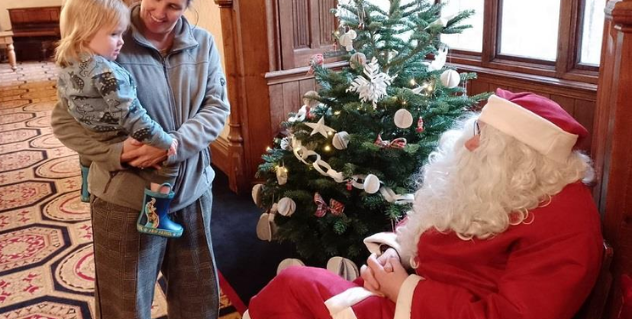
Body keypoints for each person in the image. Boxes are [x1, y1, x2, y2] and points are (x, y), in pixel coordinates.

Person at [244, 89, 603, 319]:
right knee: (297, 287)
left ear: (524, 159)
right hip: (413, 294)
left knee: (296, 289)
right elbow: (436, 215)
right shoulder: (502, 180)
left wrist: (404, 290)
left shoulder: (566, 223)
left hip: (425, 309)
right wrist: (395, 254)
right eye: (476, 130)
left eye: (487, 139)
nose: (470, 145)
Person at [51, 0, 230, 319]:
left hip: (191, 192)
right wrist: (118, 154)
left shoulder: (203, 44)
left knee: (198, 300)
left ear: (188, 6)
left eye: (174, 6)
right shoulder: (107, 38)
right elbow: (64, 121)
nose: (160, 12)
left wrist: (173, 145)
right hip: (123, 198)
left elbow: (217, 110)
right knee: (124, 303)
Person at [54, 0, 182, 238]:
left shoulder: (67, 64)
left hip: (91, 134)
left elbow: (67, 105)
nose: (121, 41)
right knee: (169, 162)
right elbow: (131, 115)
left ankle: (86, 185)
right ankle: (155, 217)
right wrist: (164, 140)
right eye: (114, 34)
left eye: (121, 33)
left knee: (85, 147)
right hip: (115, 134)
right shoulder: (105, 72)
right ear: (85, 32)